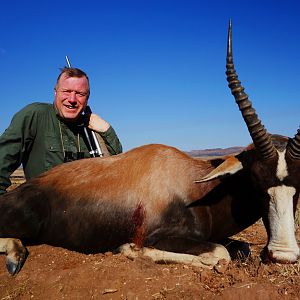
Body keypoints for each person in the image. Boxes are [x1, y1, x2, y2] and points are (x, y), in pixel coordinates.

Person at [0, 67, 122, 194]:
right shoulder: (35, 115)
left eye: (80, 94)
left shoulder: (92, 127)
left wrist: (106, 130)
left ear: (88, 97)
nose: (72, 99)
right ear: (55, 92)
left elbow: (118, 171)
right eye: (66, 91)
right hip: (42, 211)